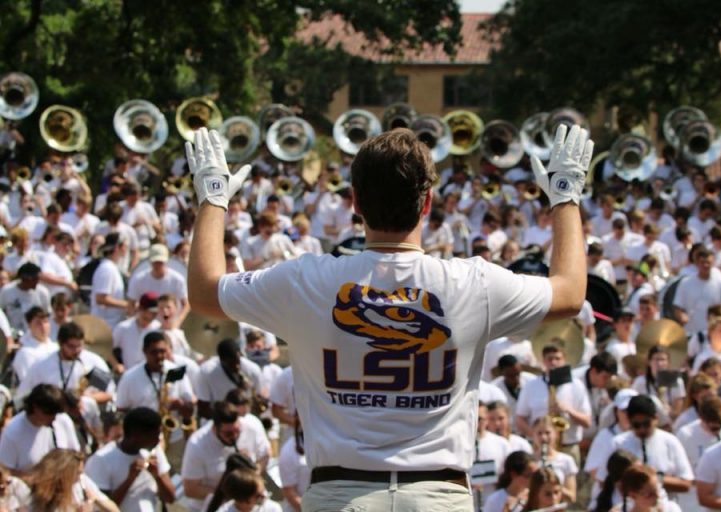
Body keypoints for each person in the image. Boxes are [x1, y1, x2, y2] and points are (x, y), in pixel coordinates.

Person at [186, 125, 593, 511]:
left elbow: (204, 292)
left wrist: (213, 198)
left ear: (356, 203)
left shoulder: (303, 280)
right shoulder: (475, 283)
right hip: (439, 495)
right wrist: (565, 197)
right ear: (428, 203)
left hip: (339, 496)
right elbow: (571, 293)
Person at [84, 407, 175, 511]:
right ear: (136, 436)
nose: (158, 440)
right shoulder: (100, 461)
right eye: (153, 436)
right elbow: (101, 508)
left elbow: (170, 498)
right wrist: (130, 479)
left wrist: (157, 476)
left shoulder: (154, 451)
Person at [602, 395, 693, 499]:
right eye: (636, 425)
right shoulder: (617, 443)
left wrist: (655, 478)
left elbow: (686, 483)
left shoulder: (670, 442)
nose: (642, 429)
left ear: (656, 419)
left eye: (646, 424)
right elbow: (605, 481)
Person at [181, 401, 268, 509]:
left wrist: (252, 472)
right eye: (228, 434)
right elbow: (191, 489)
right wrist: (234, 493)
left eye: (237, 431)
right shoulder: (197, 444)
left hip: (251, 503)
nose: (234, 436)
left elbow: (265, 455)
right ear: (215, 428)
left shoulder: (252, 425)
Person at [516, 344, 592, 466]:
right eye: (550, 359)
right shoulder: (531, 385)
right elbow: (520, 419)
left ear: (565, 360)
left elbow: (587, 422)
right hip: (539, 448)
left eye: (557, 359)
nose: (553, 363)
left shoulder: (576, 385)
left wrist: (568, 410)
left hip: (568, 446)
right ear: (543, 361)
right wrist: (537, 436)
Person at [0, 384, 78, 475]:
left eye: (56, 414)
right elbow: (5, 471)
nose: (54, 418)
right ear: (35, 408)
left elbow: (75, 455)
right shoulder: (12, 432)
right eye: (49, 413)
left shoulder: (63, 420)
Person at [26, 448, 119, 512]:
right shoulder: (44, 499)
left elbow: (113, 509)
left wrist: (95, 499)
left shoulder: (82, 481)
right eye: (77, 473)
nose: (80, 477)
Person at [196, 339, 263, 419]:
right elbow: (203, 407)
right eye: (231, 363)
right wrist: (226, 420)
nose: (236, 366)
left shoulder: (253, 370)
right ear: (221, 360)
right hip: (217, 421)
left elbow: (259, 399)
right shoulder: (206, 371)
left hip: (247, 420)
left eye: (238, 361)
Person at [110, 291, 161, 373]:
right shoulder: (123, 327)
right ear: (142, 309)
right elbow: (107, 348)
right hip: (129, 375)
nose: (155, 314)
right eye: (152, 312)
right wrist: (116, 364)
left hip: (152, 374)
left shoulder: (158, 328)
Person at [530, 415, 578, 503]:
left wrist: (555, 487)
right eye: (539, 433)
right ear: (533, 435)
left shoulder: (566, 460)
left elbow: (572, 497)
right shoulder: (529, 461)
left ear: (556, 434)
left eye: (547, 433)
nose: (543, 437)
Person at [613, 464, 682, 512]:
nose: (657, 496)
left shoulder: (671, 509)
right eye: (650, 495)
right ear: (633, 496)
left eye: (657, 490)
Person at [214, 467, 282, 512]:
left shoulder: (273, 509)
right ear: (242, 500)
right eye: (258, 495)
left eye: (263, 490)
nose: (264, 496)